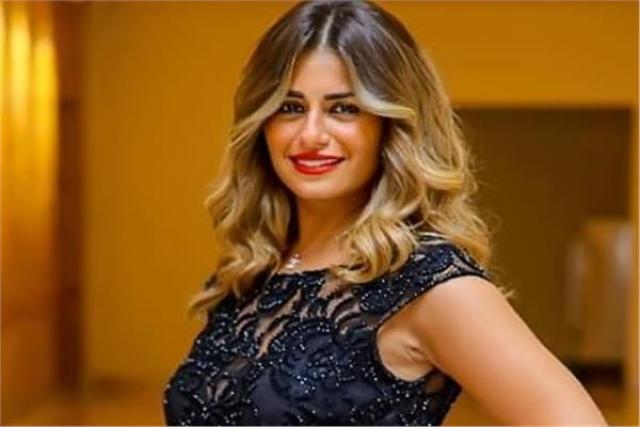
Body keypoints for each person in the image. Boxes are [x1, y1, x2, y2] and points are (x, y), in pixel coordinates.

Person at [163, 1, 607, 425]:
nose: (311, 134)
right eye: (290, 108)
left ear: (390, 125)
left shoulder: (429, 285)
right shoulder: (253, 269)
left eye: (343, 108)